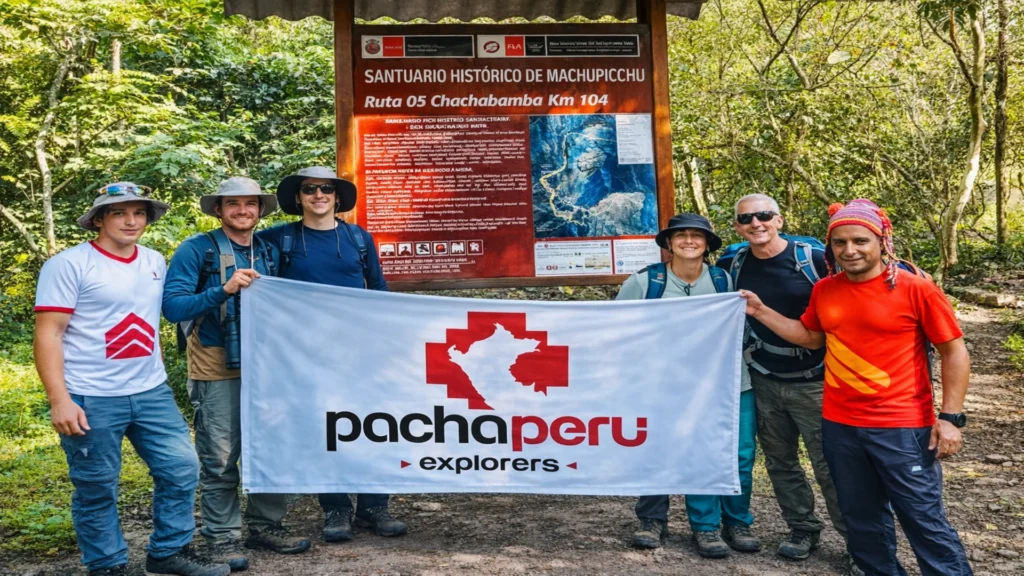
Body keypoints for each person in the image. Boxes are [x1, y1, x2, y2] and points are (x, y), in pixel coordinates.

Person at [740, 199, 973, 575]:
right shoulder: (826, 290)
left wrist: (950, 418)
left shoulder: (916, 289)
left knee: (922, 518)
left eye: (860, 241)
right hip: (839, 423)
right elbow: (811, 338)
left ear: (881, 242)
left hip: (902, 425)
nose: (850, 250)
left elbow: (954, 350)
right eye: (840, 242)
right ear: (829, 247)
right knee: (862, 519)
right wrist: (759, 310)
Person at [33, 183, 229, 576]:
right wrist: (60, 399)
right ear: (99, 219)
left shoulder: (154, 261)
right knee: (96, 486)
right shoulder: (69, 264)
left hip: (150, 390)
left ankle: (167, 553)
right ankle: (106, 564)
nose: (130, 220)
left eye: (138, 213)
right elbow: (48, 334)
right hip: (91, 394)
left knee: (180, 467)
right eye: (119, 213)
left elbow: (169, 311)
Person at [163, 177, 311, 571]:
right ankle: (222, 536)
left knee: (271, 447)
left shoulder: (268, 250)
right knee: (220, 456)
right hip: (215, 361)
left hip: (268, 363)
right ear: (218, 209)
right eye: (233, 204)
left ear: (261, 210)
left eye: (250, 203)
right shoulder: (197, 250)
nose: (242, 210)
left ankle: (266, 524)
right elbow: (173, 308)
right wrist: (223, 290)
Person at [256, 166, 406, 543]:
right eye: (310, 189)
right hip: (307, 356)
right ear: (299, 197)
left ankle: (374, 505)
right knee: (328, 428)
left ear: (338, 197)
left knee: (373, 425)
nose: (318, 194)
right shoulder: (279, 239)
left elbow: (378, 288)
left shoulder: (358, 239)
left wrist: (386, 340)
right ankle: (335, 507)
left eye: (327, 189)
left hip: (360, 353)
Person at [717, 194, 849, 565]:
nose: (755, 224)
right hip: (763, 376)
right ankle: (802, 526)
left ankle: (857, 540)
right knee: (780, 461)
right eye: (746, 219)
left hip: (817, 379)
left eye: (763, 216)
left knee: (831, 464)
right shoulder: (734, 262)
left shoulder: (814, 260)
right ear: (737, 227)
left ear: (779, 219)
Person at [619, 214, 759, 559]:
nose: (688, 241)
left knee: (739, 454)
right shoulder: (645, 282)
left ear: (708, 244)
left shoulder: (723, 280)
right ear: (668, 243)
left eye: (697, 236)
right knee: (667, 450)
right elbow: (614, 328)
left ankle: (736, 521)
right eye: (680, 235)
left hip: (726, 383)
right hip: (663, 386)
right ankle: (701, 526)